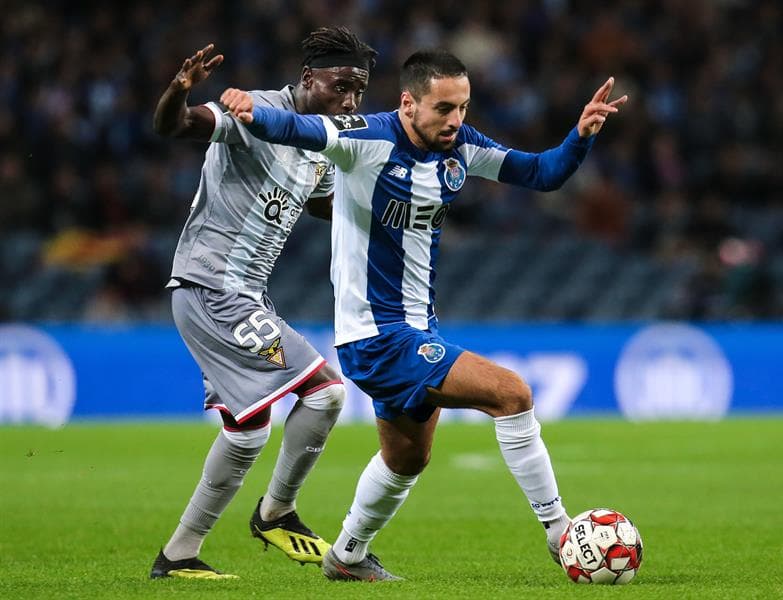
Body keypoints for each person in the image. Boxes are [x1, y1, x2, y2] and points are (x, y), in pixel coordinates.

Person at [221, 49, 626, 581]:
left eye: (463, 107)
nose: (456, 120)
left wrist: (581, 136)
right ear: (409, 103)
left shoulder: (461, 147)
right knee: (513, 394)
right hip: (375, 335)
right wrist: (252, 108)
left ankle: (345, 556)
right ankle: (560, 533)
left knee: (407, 458)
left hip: (416, 329)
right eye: (444, 108)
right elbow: (302, 128)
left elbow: (541, 173)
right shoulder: (366, 138)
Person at [148, 27, 377, 580]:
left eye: (359, 90)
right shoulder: (258, 112)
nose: (349, 101)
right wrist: (180, 88)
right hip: (212, 289)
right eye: (339, 85)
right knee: (324, 393)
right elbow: (173, 126)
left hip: (241, 294)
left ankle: (178, 556)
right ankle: (276, 512)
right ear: (307, 79)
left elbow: (318, 202)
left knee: (246, 431)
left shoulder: (320, 136)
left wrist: (373, 212)